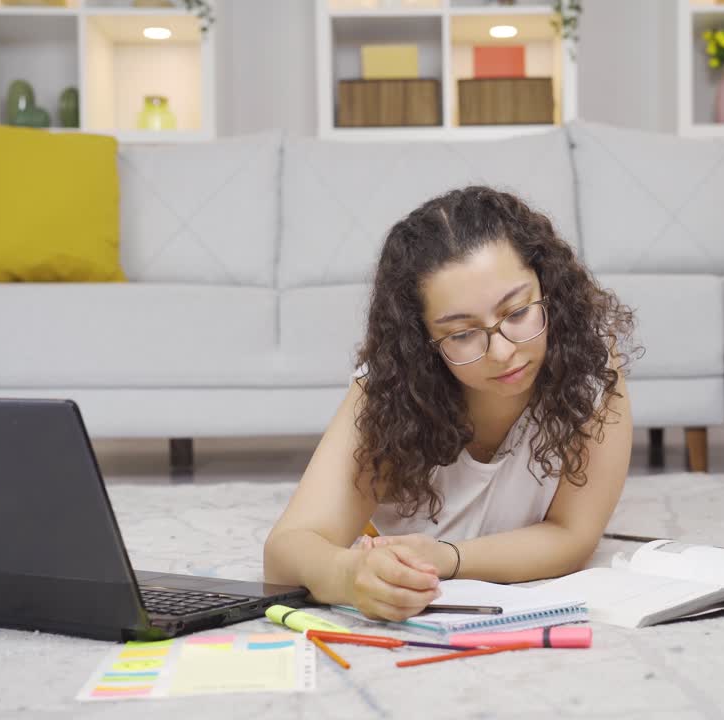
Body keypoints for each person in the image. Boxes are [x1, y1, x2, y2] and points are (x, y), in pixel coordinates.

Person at [264, 186, 637, 621]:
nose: (503, 352)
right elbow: (284, 553)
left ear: (549, 288)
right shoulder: (388, 391)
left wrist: (447, 558)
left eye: (518, 313)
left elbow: (573, 536)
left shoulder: (589, 361)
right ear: (423, 341)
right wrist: (350, 574)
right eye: (461, 334)